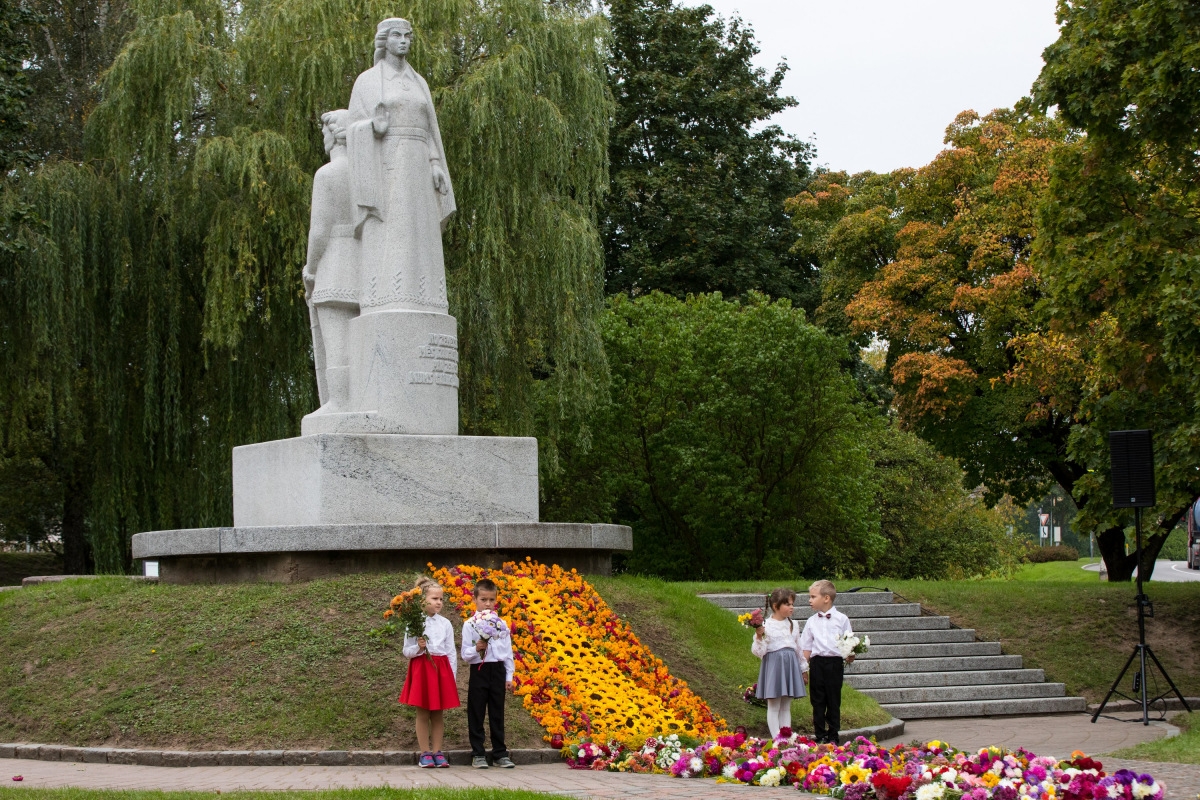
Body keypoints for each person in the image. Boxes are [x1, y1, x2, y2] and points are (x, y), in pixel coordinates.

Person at [346, 17, 456, 314]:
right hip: (388, 167)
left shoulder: (419, 83)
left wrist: (435, 163)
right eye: (397, 36)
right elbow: (351, 129)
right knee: (394, 232)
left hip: (419, 165)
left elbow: (430, 129)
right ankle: (389, 296)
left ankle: (425, 297)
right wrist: (372, 126)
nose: (404, 41)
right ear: (385, 40)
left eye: (408, 36)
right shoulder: (367, 81)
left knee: (420, 231)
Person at [303, 108, 359, 416]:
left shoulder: (326, 175)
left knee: (336, 340)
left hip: (335, 263)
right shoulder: (367, 173)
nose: (322, 137)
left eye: (325, 131)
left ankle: (339, 402)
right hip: (364, 264)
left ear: (335, 134)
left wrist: (311, 269)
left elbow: (319, 230)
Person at [399, 576, 460, 768]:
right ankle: (425, 752)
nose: (439, 602)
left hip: (441, 670)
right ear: (422, 600)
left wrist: (452, 676)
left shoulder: (446, 624)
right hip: (422, 668)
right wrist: (418, 646)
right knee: (423, 713)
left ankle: (437, 752)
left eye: (441, 599)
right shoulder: (414, 623)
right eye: (435, 599)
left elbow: (451, 652)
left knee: (438, 714)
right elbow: (407, 652)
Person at [460, 577, 516, 769]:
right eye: (483, 599)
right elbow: (465, 655)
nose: (488, 604)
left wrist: (509, 676)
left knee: (497, 712)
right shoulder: (470, 624)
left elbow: (508, 652)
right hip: (480, 669)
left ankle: (500, 753)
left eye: (491, 600)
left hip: (498, 670)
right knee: (476, 711)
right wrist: (477, 648)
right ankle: (478, 753)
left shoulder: (501, 624)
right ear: (475, 599)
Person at [800, 579, 854, 744]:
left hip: (834, 663)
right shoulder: (811, 621)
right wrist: (803, 668)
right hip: (817, 664)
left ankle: (833, 735)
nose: (810, 600)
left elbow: (848, 641)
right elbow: (806, 647)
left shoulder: (842, 619)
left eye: (813, 596)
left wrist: (850, 654)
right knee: (817, 700)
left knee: (833, 700)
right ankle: (820, 734)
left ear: (826, 598)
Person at [751, 587, 807, 738]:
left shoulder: (794, 625)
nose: (792, 607)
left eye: (792, 604)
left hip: (790, 665)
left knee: (786, 706)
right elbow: (758, 651)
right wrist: (759, 636)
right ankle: (777, 739)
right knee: (774, 705)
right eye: (788, 604)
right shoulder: (766, 625)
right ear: (776, 606)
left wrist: (803, 669)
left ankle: (787, 736)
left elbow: (799, 648)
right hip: (774, 666)